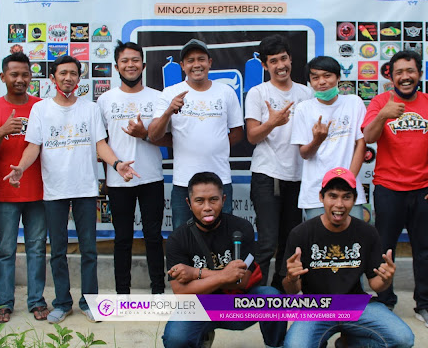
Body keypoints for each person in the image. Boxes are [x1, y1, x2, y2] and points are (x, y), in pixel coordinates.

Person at [4, 55, 138, 324]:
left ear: (79, 78)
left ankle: (89, 302)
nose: (68, 78)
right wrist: (20, 168)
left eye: (73, 73)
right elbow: (33, 146)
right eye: (63, 73)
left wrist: (116, 164)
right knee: (58, 251)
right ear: (52, 77)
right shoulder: (40, 109)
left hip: (85, 189)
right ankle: (62, 303)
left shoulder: (90, 109)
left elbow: (100, 144)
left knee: (89, 250)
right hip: (54, 191)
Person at [282, 167, 414, 348]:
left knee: (403, 339)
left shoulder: (367, 233)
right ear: (321, 197)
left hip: (355, 305)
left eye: (346, 197)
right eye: (333, 196)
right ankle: (317, 347)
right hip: (316, 306)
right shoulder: (301, 234)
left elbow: (376, 285)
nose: (339, 204)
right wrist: (292, 278)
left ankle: (349, 346)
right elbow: (291, 290)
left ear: (354, 200)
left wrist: (386, 279)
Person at [162, 172, 287, 348]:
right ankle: (200, 344)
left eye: (213, 200)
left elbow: (242, 281)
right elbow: (181, 292)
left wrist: (196, 273)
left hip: (239, 302)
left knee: (272, 297)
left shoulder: (242, 228)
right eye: (199, 201)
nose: (207, 207)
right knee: (176, 340)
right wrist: (224, 275)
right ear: (189, 203)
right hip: (201, 305)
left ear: (224, 200)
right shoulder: (177, 239)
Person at [361, 50, 428, 329]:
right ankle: (385, 301)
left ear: (419, 74)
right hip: (389, 188)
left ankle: (426, 304)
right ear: (391, 76)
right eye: (399, 72)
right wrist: (383, 115)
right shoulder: (380, 101)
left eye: (410, 71)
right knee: (385, 249)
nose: (405, 77)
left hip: (423, 189)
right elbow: (369, 137)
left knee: (424, 250)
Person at [148, 39, 244, 230]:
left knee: (222, 235)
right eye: (190, 60)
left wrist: (214, 145)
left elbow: (237, 133)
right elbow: (154, 135)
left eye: (201, 59)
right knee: (183, 236)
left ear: (210, 62)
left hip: (220, 179)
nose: (196, 65)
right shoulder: (170, 93)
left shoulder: (226, 92)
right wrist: (168, 112)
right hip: (184, 182)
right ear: (182, 66)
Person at [97, 41, 169, 294]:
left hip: (151, 178)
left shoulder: (158, 97)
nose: (131, 65)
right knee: (122, 238)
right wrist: (114, 168)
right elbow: (100, 143)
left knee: (153, 236)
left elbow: (168, 138)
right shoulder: (105, 100)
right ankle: (122, 294)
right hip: (119, 180)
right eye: (125, 61)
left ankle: (158, 290)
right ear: (117, 67)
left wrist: (145, 134)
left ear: (144, 65)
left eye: (135, 60)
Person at [0, 52, 49, 323]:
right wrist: (2, 131)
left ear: (31, 77)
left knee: (36, 248)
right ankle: (4, 302)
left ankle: (36, 300)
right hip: (5, 194)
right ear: (3, 77)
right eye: (14, 74)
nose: (20, 79)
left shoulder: (41, 107)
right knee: (5, 250)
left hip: (38, 192)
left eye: (24, 74)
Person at [245, 35, 312, 290]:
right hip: (267, 175)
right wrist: (272, 122)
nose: (280, 65)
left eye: (283, 58)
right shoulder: (258, 93)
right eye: (273, 61)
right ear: (265, 65)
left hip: (298, 177)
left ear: (291, 59)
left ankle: (280, 291)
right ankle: (255, 294)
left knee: (290, 241)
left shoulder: (306, 93)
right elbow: (252, 136)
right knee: (267, 242)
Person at [291, 56, 367, 220]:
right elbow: (304, 153)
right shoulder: (303, 109)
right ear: (310, 82)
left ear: (338, 77)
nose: (322, 82)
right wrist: (317, 140)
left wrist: (348, 181)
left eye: (327, 76)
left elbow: (361, 143)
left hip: (350, 190)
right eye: (315, 78)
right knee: (318, 236)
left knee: (354, 235)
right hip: (315, 193)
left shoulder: (354, 103)